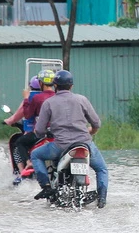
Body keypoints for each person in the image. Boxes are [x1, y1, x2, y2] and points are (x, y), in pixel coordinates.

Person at [30, 70, 109, 208]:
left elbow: (40, 130)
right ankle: (102, 199)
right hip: (85, 144)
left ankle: (46, 186)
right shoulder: (82, 99)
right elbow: (96, 123)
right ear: (71, 86)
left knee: (35, 154)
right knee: (101, 169)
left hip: (60, 146)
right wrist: (91, 132)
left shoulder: (48, 103)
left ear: (55, 85)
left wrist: (39, 134)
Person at [12, 70, 56, 175]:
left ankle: (27, 163)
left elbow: (27, 114)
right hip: (58, 133)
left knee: (19, 142)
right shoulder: (58, 97)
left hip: (41, 133)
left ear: (41, 83)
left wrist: (26, 98)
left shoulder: (36, 98)